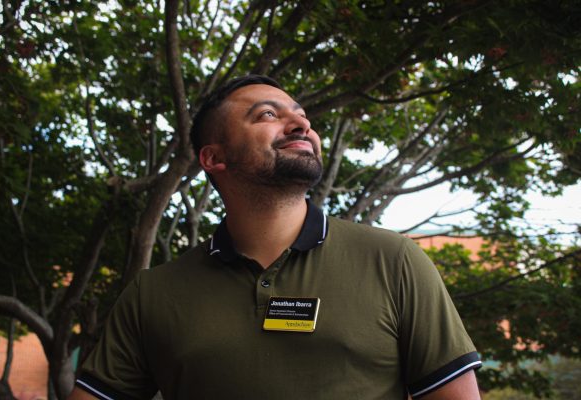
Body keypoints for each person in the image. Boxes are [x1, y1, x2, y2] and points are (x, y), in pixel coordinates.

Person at [68, 75, 482, 400]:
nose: (301, 123)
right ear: (214, 158)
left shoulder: (394, 260)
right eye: (267, 114)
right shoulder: (152, 294)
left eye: (301, 116)